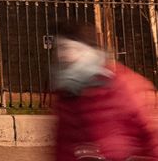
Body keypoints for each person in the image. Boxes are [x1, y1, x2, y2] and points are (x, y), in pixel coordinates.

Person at [52, 20, 158, 161]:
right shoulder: (65, 95)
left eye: (69, 48)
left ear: (87, 52)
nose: (63, 55)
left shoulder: (124, 86)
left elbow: (152, 137)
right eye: (60, 48)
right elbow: (63, 147)